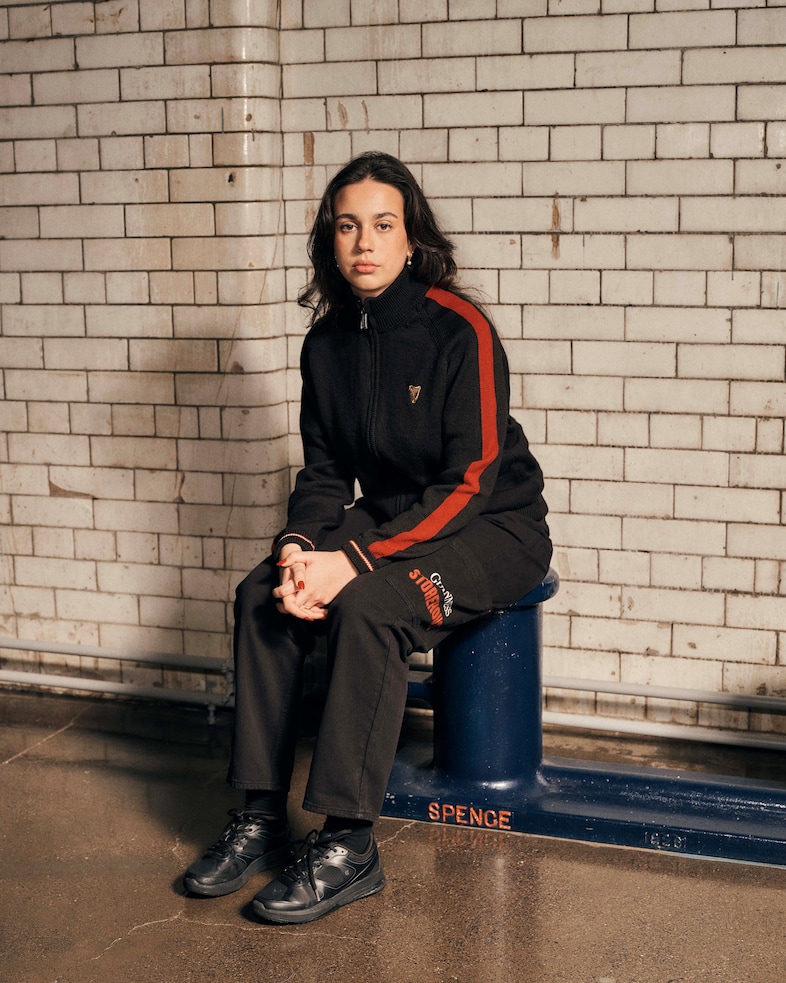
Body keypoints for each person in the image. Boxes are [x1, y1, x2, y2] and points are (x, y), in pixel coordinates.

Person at [183, 152, 552, 924]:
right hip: (392, 515)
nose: (365, 242)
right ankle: (260, 814)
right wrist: (296, 547)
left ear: (410, 236)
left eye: (383, 225)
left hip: (494, 525)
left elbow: (470, 479)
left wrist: (351, 560)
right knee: (260, 594)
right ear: (332, 237)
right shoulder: (326, 345)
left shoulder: (462, 330)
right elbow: (325, 474)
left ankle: (350, 844)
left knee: (373, 605)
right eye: (348, 225)